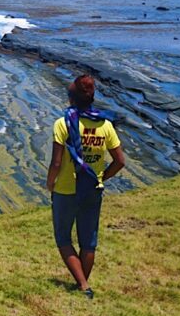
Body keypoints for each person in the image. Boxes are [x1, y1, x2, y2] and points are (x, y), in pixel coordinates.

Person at [45, 74, 126, 299]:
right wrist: (102, 177)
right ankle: (84, 284)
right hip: (93, 188)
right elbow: (120, 161)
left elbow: (57, 162)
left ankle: (83, 285)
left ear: (72, 98)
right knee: (88, 241)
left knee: (63, 238)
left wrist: (49, 183)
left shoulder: (63, 124)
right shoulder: (105, 125)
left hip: (66, 189)